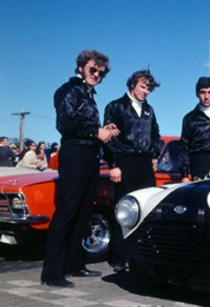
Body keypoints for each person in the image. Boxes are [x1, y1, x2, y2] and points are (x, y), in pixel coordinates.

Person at [40, 49, 119, 288]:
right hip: (74, 154)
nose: (97, 75)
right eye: (93, 70)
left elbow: (82, 123)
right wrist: (97, 131)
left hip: (89, 156)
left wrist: (103, 129)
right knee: (67, 212)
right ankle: (51, 273)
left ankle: (74, 265)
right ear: (81, 66)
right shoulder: (68, 90)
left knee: (83, 212)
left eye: (101, 73)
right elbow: (65, 123)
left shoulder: (88, 94)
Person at [103, 69, 162, 272]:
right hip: (124, 163)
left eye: (148, 88)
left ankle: (140, 255)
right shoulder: (115, 106)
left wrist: (153, 155)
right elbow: (108, 138)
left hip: (144, 164)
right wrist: (114, 165)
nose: (145, 91)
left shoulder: (149, 110)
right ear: (132, 85)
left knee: (146, 209)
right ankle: (118, 257)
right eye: (142, 87)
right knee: (123, 210)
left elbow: (156, 134)